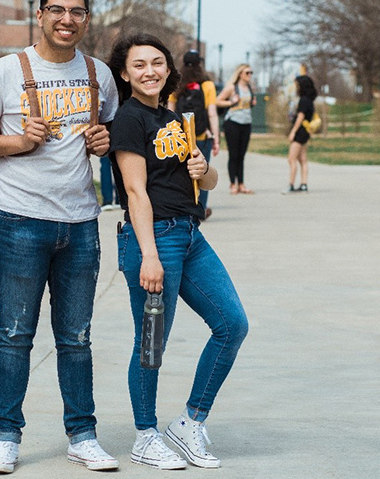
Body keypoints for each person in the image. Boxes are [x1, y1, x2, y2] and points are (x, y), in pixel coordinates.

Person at [0, 0, 120, 474]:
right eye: (57, 10)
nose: (66, 20)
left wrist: (104, 141)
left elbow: (115, 130)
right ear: (41, 14)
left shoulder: (100, 76)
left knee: (76, 338)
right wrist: (16, 142)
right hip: (19, 221)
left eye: (76, 12)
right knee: (14, 334)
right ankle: (6, 436)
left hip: (80, 225)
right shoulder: (6, 71)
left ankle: (82, 435)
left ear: (86, 18)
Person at [107, 33, 249, 470]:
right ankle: (145, 435)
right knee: (152, 343)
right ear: (125, 74)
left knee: (232, 325)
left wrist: (205, 169)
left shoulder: (175, 118)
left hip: (190, 235)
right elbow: (135, 190)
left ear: (169, 70)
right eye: (139, 65)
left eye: (156, 63)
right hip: (154, 240)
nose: (149, 71)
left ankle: (190, 423)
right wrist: (149, 254)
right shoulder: (129, 120)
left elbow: (205, 185)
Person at [167, 50, 219, 219]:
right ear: (199, 64)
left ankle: (184, 208)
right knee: (202, 171)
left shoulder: (177, 83)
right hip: (202, 135)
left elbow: (170, 109)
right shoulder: (207, 85)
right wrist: (216, 138)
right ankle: (200, 209)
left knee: (182, 173)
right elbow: (212, 113)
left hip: (181, 137)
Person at [217, 64, 258, 195]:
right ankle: (232, 184)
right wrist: (231, 102)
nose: (250, 75)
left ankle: (241, 184)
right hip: (233, 123)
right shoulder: (232, 88)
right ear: (240, 74)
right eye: (247, 73)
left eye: (251, 73)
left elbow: (250, 103)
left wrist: (252, 102)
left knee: (241, 155)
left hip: (246, 123)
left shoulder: (250, 88)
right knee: (233, 155)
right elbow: (217, 101)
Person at [283, 66, 317, 194]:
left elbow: (300, 117)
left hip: (300, 132)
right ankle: (304, 184)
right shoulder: (310, 101)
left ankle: (291, 184)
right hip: (306, 132)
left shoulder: (303, 101)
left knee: (291, 159)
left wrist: (293, 132)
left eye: (297, 85)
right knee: (302, 159)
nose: (296, 87)